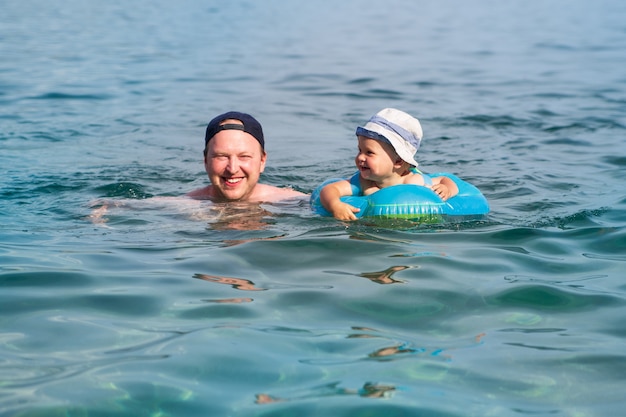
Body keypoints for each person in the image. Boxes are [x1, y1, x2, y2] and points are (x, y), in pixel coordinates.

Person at [319, 108, 459, 221]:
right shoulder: (363, 182)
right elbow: (329, 190)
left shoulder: (414, 181)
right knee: (300, 200)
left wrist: (447, 189)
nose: (360, 157)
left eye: (369, 153)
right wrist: (335, 206)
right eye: (360, 150)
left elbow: (444, 180)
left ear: (398, 161)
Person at [187, 111, 306, 202]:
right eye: (221, 156)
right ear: (206, 161)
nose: (233, 169)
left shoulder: (291, 202)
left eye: (244, 156)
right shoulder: (183, 206)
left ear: (262, 161)